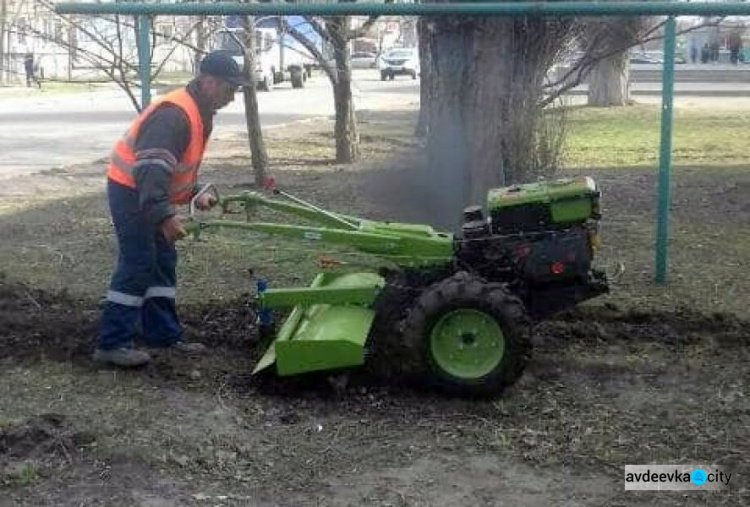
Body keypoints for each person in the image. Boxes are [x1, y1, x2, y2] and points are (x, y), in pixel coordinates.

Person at [94, 51, 248, 367]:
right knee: (139, 260)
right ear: (208, 81)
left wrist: (193, 191)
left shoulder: (198, 111)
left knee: (163, 259)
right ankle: (111, 343)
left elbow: (172, 166)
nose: (232, 98)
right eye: (229, 89)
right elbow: (151, 170)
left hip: (148, 191)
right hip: (132, 192)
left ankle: (163, 334)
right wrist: (164, 215)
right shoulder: (174, 114)